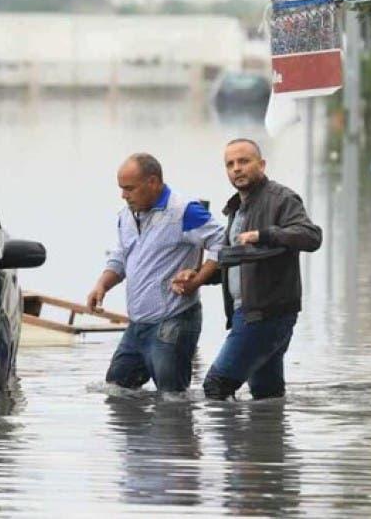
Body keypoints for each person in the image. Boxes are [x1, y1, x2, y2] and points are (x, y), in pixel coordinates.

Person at [191, 138, 322, 400]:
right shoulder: (236, 209)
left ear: (261, 165)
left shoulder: (281, 198)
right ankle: (265, 440)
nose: (237, 168)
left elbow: (311, 236)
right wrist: (200, 278)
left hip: (265, 315)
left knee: (216, 386)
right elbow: (240, 264)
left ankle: (230, 441)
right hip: (248, 312)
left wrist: (264, 234)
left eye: (244, 161)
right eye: (230, 164)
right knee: (266, 395)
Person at [87, 153, 225, 393]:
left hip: (173, 321)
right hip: (138, 324)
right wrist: (102, 286)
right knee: (116, 390)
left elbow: (221, 243)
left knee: (172, 399)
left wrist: (197, 279)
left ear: (153, 182)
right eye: (121, 189)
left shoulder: (184, 211)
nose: (123, 195)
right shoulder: (126, 215)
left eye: (129, 188)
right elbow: (120, 255)